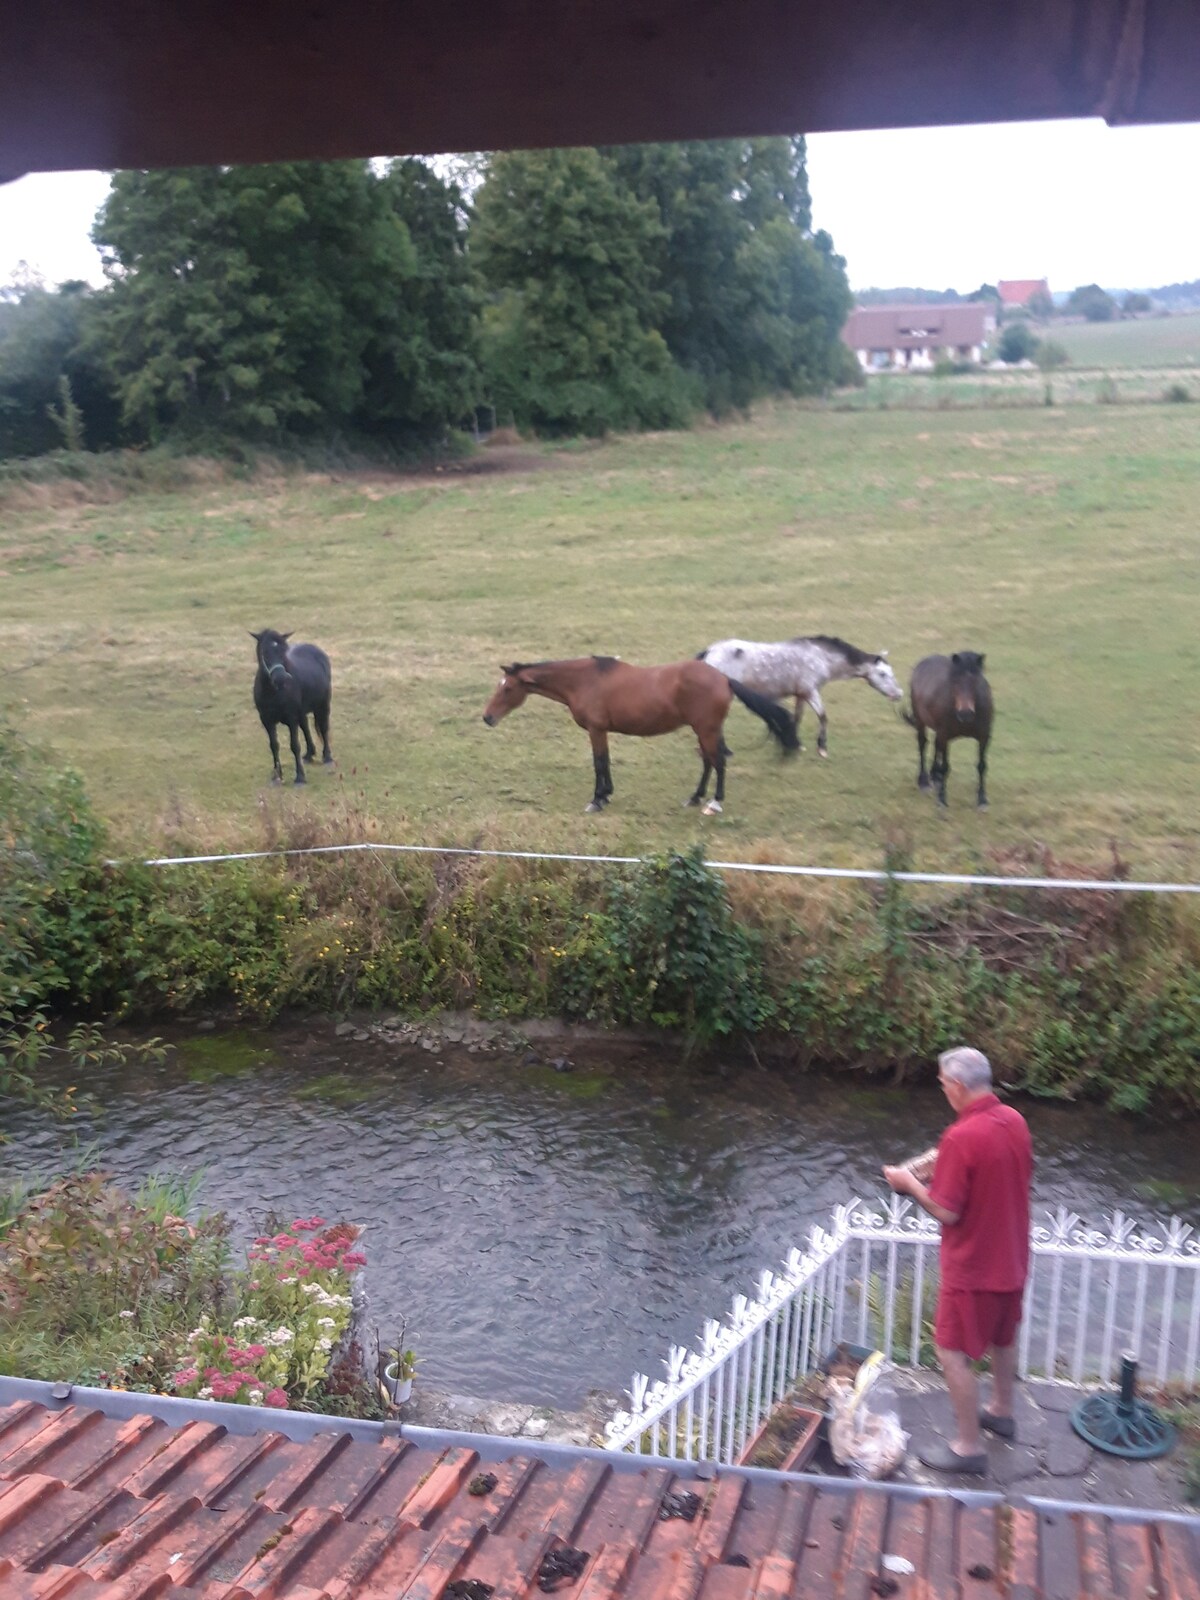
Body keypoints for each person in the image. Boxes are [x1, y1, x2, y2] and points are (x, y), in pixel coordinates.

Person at [882, 1046, 1032, 1475]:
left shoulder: (962, 1137)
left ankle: (968, 1447)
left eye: (944, 1084)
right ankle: (1002, 1410)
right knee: (1004, 1336)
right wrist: (941, 1161)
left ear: (960, 1087)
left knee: (950, 1351)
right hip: (1012, 1255)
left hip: (974, 1265)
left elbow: (948, 1211)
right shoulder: (1014, 1122)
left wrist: (910, 1182)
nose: (944, 1090)